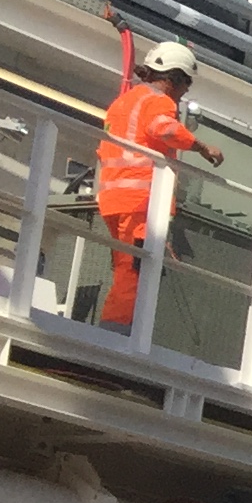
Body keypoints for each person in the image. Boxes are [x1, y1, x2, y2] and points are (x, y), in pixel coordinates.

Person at [98, 36, 217, 325]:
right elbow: (164, 130)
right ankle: (114, 336)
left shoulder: (123, 102)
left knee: (124, 268)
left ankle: (112, 331)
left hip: (113, 200)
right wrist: (203, 148)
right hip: (141, 203)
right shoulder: (159, 102)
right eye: (186, 84)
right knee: (133, 274)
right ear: (174, 78)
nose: (184, 93)